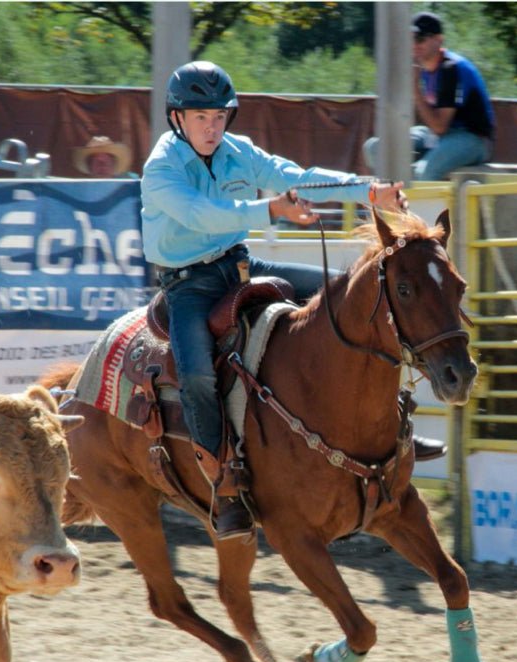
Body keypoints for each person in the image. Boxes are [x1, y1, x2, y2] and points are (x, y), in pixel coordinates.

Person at [141, 60, 445, 540]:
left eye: (220, 116)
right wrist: (270, 208)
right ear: (177, 118)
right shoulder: (160, 167)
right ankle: (225, 485)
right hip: (188, 286)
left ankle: (393, 428)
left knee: (353, 300)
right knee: (197, 373)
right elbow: (200, 215)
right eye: (201, 117)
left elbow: (296, 175)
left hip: (238, 266)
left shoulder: (236, 151)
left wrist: (369, 191)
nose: (212, 126)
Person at [364, 11, 496, 181]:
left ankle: (410, 202)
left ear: (439, 40)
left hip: (473, 140)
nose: (414, 44)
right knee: (374, 147)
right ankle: (396, 199)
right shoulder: (423, 68)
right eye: (411, 38)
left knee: (424, 172)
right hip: (443, 135)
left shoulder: (450, 68)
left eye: (420, 38)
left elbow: (439, 126)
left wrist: (414, 88)